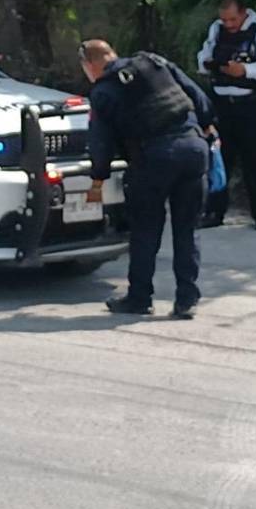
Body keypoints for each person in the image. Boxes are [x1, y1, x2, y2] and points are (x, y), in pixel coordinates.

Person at [80, 40, 216, 319]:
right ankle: (186, 300)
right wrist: (207, 126)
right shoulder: (154, 62)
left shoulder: (103, 90)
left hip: (154, 158)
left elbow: (100, 142)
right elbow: (198, 98)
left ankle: (140, 298)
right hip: (193, 150)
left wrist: (99, 175)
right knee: (187, 229)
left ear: (90, 65)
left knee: (145, 230)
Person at [196, 0, 256, 230]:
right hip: (221, 105)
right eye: (224, 20)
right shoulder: (216, 29)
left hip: (250, 105)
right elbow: (202, 57)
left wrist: (244, 70)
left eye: (233, 19)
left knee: (255, 161)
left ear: (244, 12)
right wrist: (211, 64)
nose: (229, 25)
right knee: (218, 160)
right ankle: (215, 212)